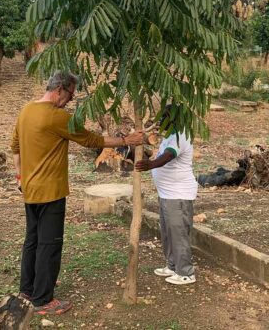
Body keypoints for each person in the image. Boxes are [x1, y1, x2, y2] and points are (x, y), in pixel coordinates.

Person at [11, 70, 144, 315]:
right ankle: (43, 300)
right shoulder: (56, 117)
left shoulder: (26, 110)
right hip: (50, 191)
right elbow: (91, 140)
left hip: (29, 190)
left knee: (32, 241)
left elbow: (15, 148)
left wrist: (20, 177)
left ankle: (27, 290)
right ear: (60, 89)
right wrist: (127, 140)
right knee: (49, 244)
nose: (71, 100)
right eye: (71, 94)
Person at [136, 105, 197, 285]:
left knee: (178, 233)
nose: (160, 121)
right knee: (167, 232)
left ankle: (185, 272)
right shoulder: (170, 135)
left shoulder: (181, 135)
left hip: (178, 194)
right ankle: (172, 265)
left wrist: (151, 164)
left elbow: (169, 155)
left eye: (165, 117)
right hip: (166, 193)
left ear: (175, 119)